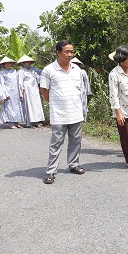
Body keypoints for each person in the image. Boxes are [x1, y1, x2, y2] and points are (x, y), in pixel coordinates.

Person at [40, 40, 85, 184]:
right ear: (58, 53)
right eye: (67, 51)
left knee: (76, 141)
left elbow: (81, 91)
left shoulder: (77, 70)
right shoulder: (49, 70)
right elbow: (44, 90)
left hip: (76, 112)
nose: (70, 54)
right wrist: (54, 103)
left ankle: (73, 164)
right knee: (56, 143)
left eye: (72, 51)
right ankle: (51, 171)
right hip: (59, 114)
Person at [17, 55, 44, 128]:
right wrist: (21, 94)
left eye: (29, 62)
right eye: (27, 62)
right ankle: (29, 123)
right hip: (27, 90)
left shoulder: (32, 71)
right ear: (23, 63)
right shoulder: (21, 71)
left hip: (34, 89)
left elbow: (38, 78)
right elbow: (20, 83)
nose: (28, 63)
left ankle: (36, 121)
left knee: (36, 105)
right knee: (29, 106)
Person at [0, 57, 24, 129]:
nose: (8, 65)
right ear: (4, 64)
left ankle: (17, 122)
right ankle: (11, 123)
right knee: (9, 107)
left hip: (16, 92)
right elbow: (1, 84)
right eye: (6, 63)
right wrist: (5, 94)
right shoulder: (1, 73)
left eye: (9, 63)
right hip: (8, 92)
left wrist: (20, 92)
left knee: (17, 107)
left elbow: (19, 82)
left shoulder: (15, 71)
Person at [71, 57, 92, 122]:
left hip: (82, 91)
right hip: (73, 91)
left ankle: (83, 119)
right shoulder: (69, 72)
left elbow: (86, 82)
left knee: (83, 105)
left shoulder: (82, 72)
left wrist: (88, 91)